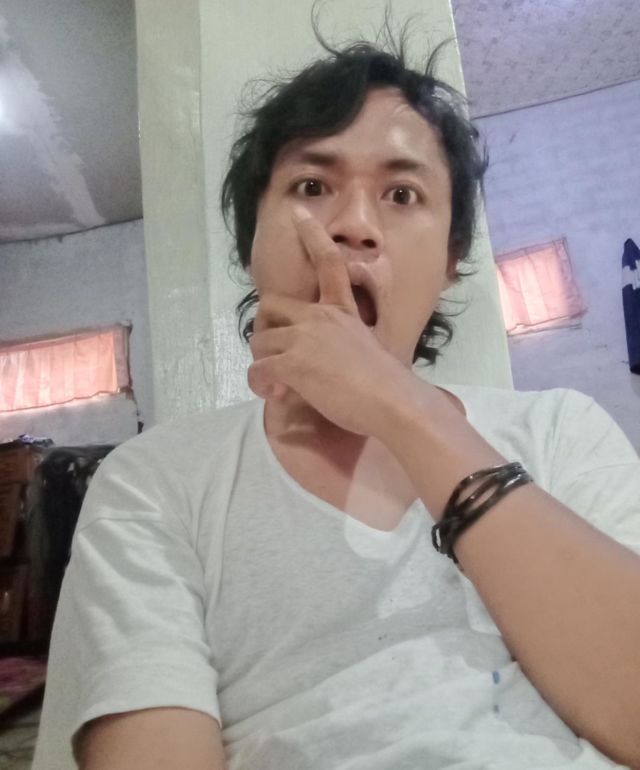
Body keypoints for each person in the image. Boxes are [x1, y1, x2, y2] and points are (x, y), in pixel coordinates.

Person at [33, 29, 640, 770]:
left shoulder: (561, 431)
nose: (352, 224)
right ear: (252, 242)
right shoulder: (155, 482)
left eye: (402, 194)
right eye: (312, 187)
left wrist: (400, 407)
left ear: (451, 260)